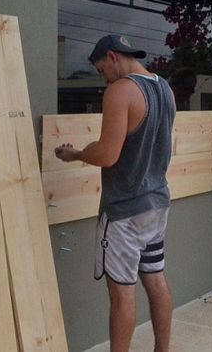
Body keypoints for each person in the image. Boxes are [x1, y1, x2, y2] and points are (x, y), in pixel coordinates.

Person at [55, 35, 176, 352]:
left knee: (122, 293)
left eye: (101, 69)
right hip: (157, 203)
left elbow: (108, 154)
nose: (103, 77)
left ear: (112, 56)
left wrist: (78, 154)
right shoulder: (164, 88)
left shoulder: (121, 91)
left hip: (124, 211)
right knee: (156, 279)